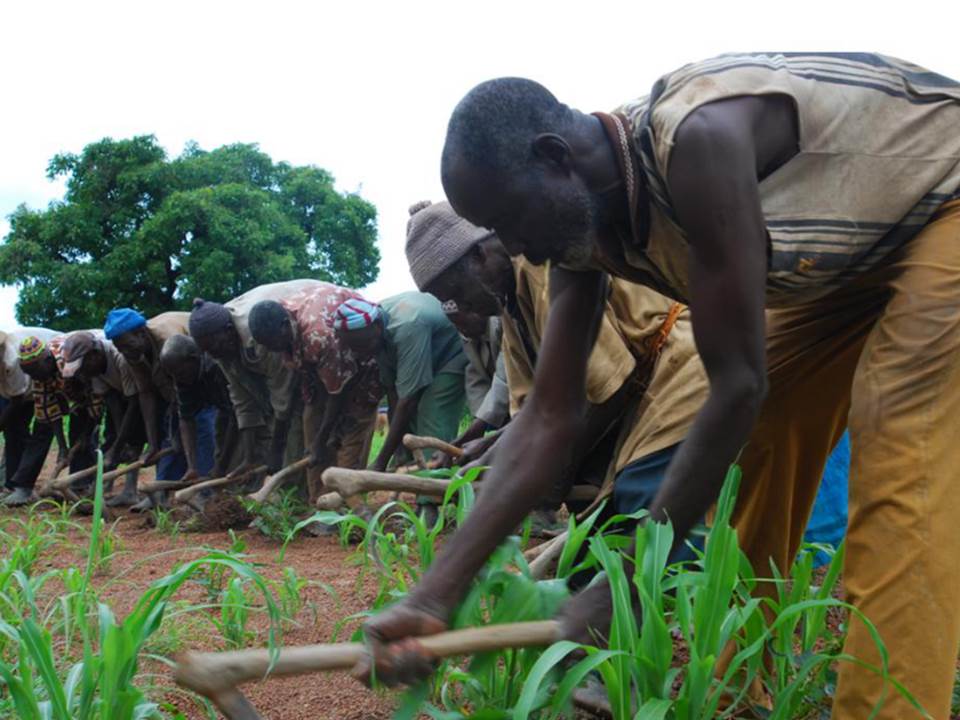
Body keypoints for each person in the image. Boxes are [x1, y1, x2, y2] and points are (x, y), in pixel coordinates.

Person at [365, 54, 960, 719]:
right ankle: (740, 685)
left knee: (903, 450)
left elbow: (736, 385)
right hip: (854, 257)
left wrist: (622, 585)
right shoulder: (582, 236)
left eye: (511, 221)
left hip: (947, 201)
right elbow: (549, 419)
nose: (519, 250)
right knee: (764, 442)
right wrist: (433, 596)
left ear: (555, 156)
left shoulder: (697, 144)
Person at [404, 199, 706, 534]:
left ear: (480, 256)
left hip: (679, 365)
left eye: (458, 293)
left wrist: (555, 473)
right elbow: (534, 410)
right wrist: (483, 455)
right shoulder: (508, 304)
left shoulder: (540, 270)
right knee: (589, 545)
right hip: (635, 393)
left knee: (642, 499)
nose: (462, 307)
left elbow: (608, 389)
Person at [246, 283, 381, 502]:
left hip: (361, 371)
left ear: (284, 326)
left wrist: (323, 439)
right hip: (321, 376)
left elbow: (338, 393)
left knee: (349, 439)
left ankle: (346, 508)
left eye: (274, 343)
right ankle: (319, 506)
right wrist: (317, 442)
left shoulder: (318, 334)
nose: (273, 349)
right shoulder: (280, 318)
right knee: (313, 443)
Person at [188, 280, 320, 482]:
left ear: (228, 330)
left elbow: (282, 396)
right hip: (284, 356)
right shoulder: (219, 349)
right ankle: (280, 480)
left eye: (214, 347)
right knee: (272, 426)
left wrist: (276, 451)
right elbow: (242, 400)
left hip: (314, 333)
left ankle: (293, 493)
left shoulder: (260, 333)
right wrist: (250, 458)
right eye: (206, 351)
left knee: (294, 417)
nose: (212, 355)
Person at [337, 293, 468, 475]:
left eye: (363, 344)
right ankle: (408, 471)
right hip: (427, 352)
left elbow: (407, 400)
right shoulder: (376, 335)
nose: (360, 352)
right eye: (354, 347)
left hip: (452, 353)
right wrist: (397, 449)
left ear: (376, 326)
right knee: (406, 418)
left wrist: (379, 462)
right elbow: (393, 395)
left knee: (432, 413)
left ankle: (432, 495)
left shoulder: (408, 325)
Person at [105, 308, 197, 509]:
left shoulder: (169, 338)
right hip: (171, 392)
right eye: (120, 349)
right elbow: (146, 393)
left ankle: (201, 493)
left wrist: (183, 425)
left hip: (199, 386)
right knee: (168, 440)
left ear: (141, 333)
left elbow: (186, 394)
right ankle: (160, 494)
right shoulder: (133, 352)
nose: (125, 353)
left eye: (127, 346)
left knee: (200, 434)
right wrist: (152, 443)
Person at [60, 330, 145, 504]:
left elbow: (134, 401)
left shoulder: (119, 357)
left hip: (143, 395)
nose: (82, 374)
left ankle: (130, 491)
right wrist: (119, 439)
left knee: (135, 441)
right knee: (113, 438)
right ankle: (105, 488)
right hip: (121, 395)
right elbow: (111, 400)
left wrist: (123, 441)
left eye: (83, 367)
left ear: (94, 356)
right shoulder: (94, 369)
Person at [17, 334, 102, 500]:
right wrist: (62, 447)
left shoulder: (71, 362)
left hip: (95, 389)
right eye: (29, 373)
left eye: (34, 372)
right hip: (73, 396)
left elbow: (95, 400)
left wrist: (86, 434)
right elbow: (49, 412)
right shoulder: (38, 373)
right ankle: (23, 486)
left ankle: (82, 486)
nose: (34, 377)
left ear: (48, 360)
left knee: (84, 439)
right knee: (41, 430)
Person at [159, 335, 236, 483]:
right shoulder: (181, 376)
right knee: (219, 452)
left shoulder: (217, 366)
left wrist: (222, 464)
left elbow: (236, 415)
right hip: (224, 410)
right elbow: (186, 419)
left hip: (247, 410)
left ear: (193, 358)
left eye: (180, 373)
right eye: (172, 375)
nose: (177, 379)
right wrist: (192, 466)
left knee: (236, 457)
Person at [0, 327, 59, 506]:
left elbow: (16, 400)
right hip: (23, 388)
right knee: (14, 432)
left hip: (49, 373)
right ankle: (12, 484)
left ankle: (23, 487)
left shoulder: (12, 359)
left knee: (41, 430)